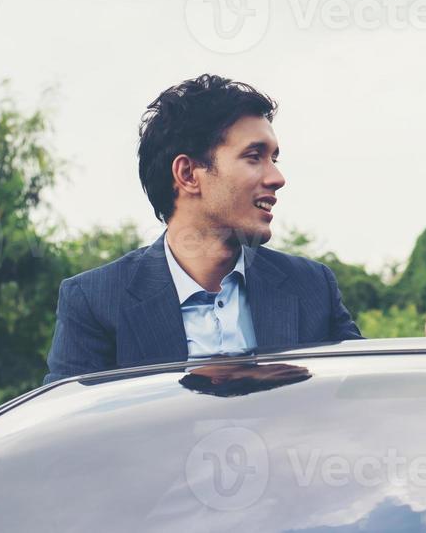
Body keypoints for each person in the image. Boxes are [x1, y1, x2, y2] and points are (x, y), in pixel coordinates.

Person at [44, 75, 362, 383]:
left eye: (274, 159)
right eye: (254, 157)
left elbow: (363, 400)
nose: (277, 178)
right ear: (188, 174)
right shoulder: (94, 303)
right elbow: (69, 429)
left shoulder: (311, 287)